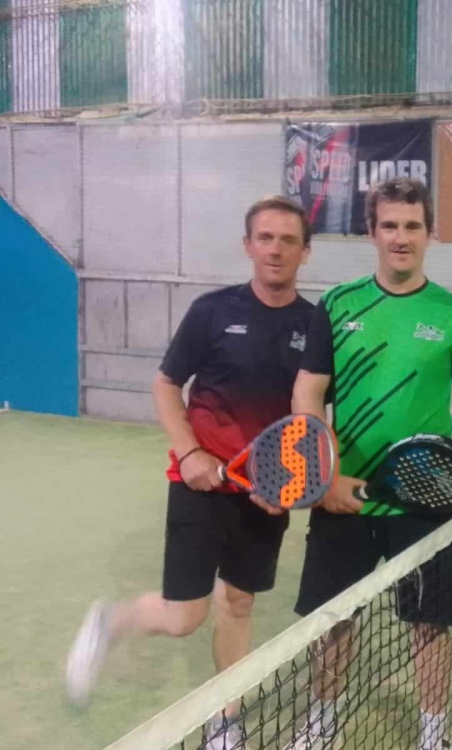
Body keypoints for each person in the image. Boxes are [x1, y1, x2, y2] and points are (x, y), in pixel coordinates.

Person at [65, 195, 316, 750]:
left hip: (265, 490)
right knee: (185, 618)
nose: (275, 250)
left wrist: (293, 482)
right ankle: (110, 621)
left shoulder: (313, 323)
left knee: (240, 603)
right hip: (199, 482)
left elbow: (310, 413)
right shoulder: (212, 311)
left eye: (288, 240)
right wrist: (191, 454)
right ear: (247, 245)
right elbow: (164, 386)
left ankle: (225, 723)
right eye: (265, 238)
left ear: (306, 251)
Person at [286, 177, 452, 750]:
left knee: (430, 624)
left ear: (431, 233)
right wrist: (324, 474)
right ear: (372, 232)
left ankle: (433, 735)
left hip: (425, 495)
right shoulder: (337, 304)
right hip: (345, 496)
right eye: (390, 226)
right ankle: (319, 726)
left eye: (412, 226)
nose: (401, 238)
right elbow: (308, 393)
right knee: (334, 621)